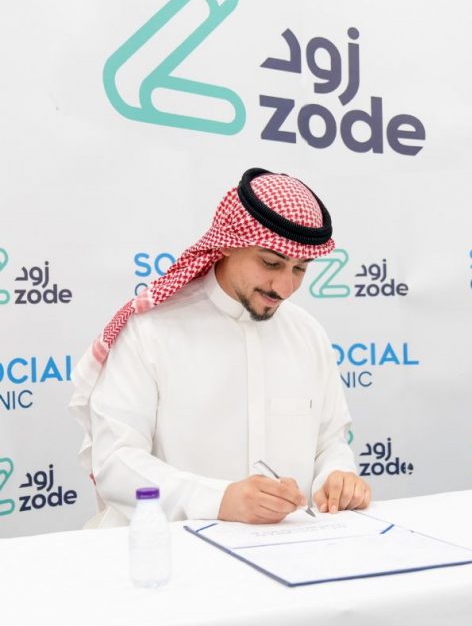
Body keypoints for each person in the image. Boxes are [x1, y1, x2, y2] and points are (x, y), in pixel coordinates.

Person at [70, 168, 371, 527]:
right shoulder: (150, 331)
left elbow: (329, 442)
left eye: (299, 269)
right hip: (172, 550)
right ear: (228, 242)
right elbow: (116, 462)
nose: (284, 287)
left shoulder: (307, 334)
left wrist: (337, 476)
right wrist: (220, 500)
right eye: (271, 263)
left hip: (290, 551)